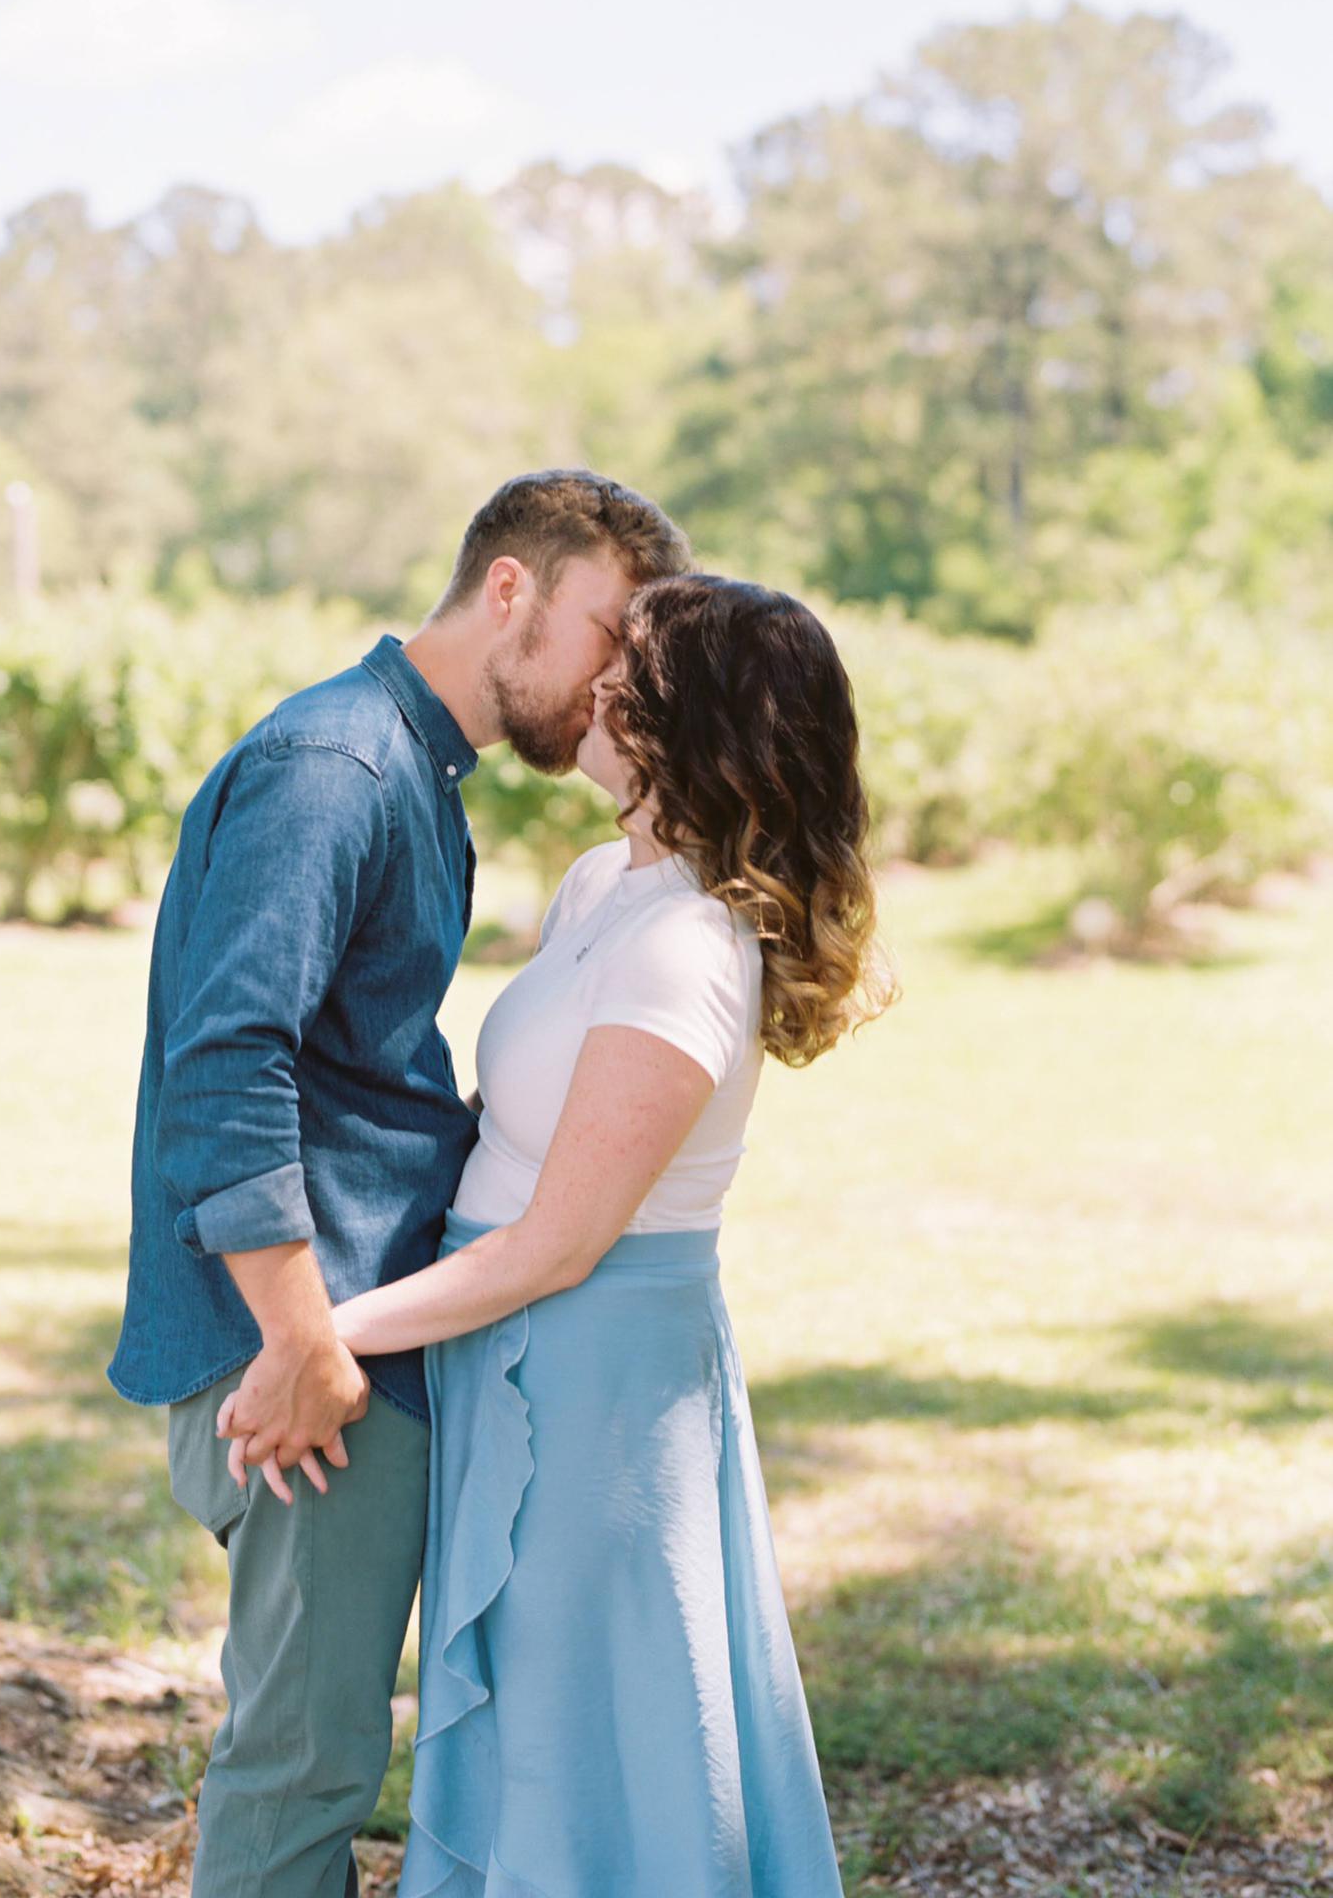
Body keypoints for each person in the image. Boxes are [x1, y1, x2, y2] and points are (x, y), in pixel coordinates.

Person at [234, 573, 898, 1895]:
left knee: (590, 1725)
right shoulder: (602, 885)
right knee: (527, 1718)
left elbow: (557, 1244)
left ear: (686, 722)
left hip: (597, 1379)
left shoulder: (691, 947)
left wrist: (317, 1337)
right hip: (504, 1347)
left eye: (627, 669)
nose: (594, 685)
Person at [105, 469, 692, 1898]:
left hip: (362, 1329)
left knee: (325, 1753)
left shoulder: (414, 776)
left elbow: (358, 1070)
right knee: (303, 1764)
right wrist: (303, 1338)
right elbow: (226, 1061)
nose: (617, 678)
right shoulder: (339, 768)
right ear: (511, 588)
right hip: (308, 1354)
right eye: (607, 629)